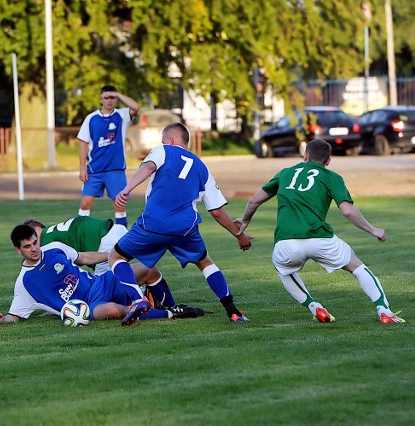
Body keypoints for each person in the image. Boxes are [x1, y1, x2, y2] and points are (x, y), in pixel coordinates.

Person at [236, 138, 405, 324]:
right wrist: (372, 230)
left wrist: (245, 221)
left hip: (286, 242)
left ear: (305, 155)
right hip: (320, 239)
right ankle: (384, 311)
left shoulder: (285, 173)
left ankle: (314, 307)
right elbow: (348, 211)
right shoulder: (332, 177)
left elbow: (254, 201)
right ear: (328, 161)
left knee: (284, 271)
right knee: (357, 267)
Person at [108, 122, 254, 324]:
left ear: (171, 139)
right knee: (205, 263)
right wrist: (239, 235)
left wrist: (127, 189)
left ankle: (137, 300)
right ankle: (233, 312)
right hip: (185, 228)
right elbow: (217, 211)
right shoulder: (202, 167)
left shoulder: (163, 151)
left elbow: (148, 166)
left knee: (116, 256)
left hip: (154, 224)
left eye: (163, 140)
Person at [0, 224, 201, 326]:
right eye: (27, 247)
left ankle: (171, 306)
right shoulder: (24, 284)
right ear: (18, 250)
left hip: (100, 282)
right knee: (115, 310)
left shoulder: (54, 249)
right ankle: (170, 315)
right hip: (87, 307)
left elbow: (83, 258)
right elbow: (14, 316)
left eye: (35, 242)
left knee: (148, 270)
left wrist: (112, 256)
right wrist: (0, 319)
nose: (34, 248)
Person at [23, 216, 200, 313]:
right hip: (115, 230)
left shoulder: (45, 244)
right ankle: (164, 304)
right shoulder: (53, 232)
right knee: (118, 280)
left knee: (103, 290)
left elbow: (65, 271)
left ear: (37, 231)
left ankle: (145, 304)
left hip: (103, 242)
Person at [77, 85, 140, 227]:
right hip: (94, 170)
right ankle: (80, 232)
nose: (109, 101)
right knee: (85, 203)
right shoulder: (91, 119)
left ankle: (121, 236)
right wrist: (82, 168)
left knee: (119, 205)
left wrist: (119, 95)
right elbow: (83, 144)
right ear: (101, 99)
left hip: (115, 169)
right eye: (107, 97)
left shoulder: (121, 115)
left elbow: (136, 107)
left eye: (112, 97)